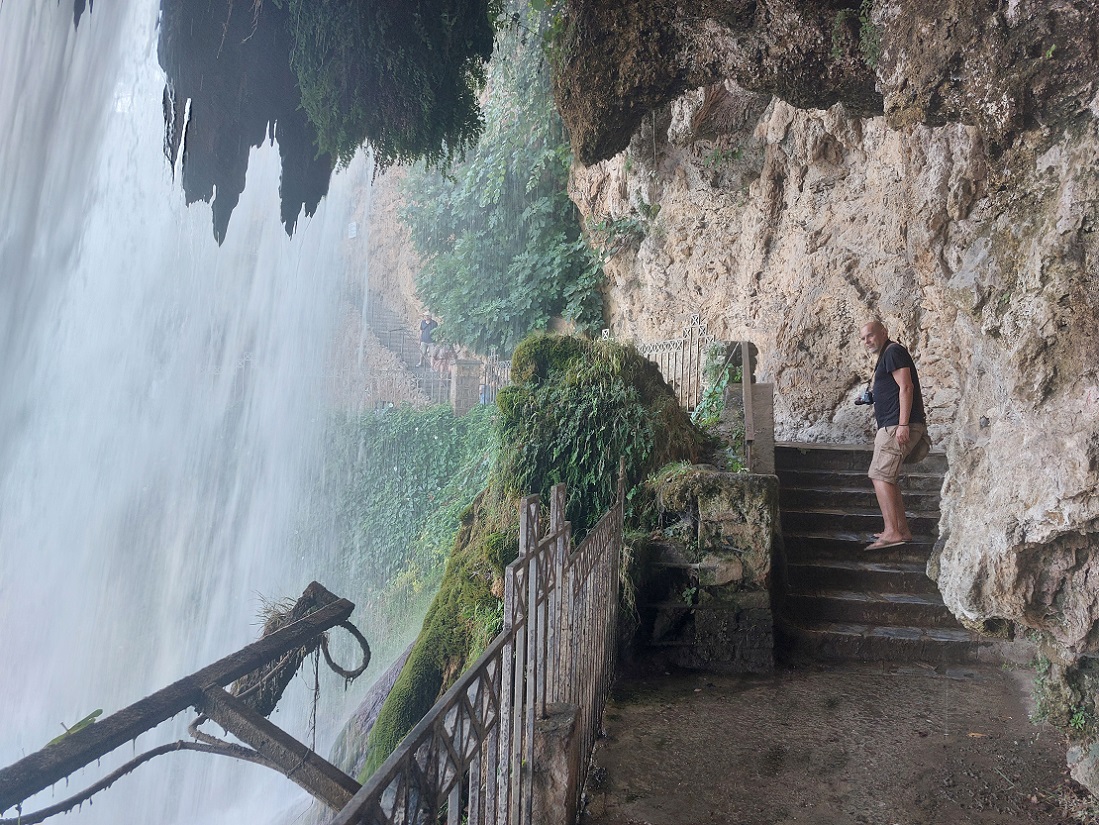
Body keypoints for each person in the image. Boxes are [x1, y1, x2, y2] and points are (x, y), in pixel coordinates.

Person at [859, 320, 927, 551]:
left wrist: (903, 424)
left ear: (884, 333)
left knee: (880, 476)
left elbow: (906, 387)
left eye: (870, 335)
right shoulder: (887, 355)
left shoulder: (893, 351)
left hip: (894, 426)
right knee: (886, 477)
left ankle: (893, 532)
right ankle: (901, 530)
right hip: (890, 425)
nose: (866, 341)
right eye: (863, 338)